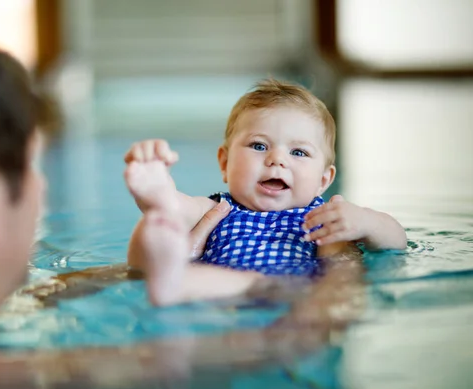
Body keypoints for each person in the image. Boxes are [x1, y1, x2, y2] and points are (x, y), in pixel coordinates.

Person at [0, 22, 365, 389]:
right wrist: (326, 293)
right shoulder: (38, 386)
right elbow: (299, 339)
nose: (42, 188)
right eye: (32, 167)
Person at [125, 79, 407, 305]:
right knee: (164, 223)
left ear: (323, 180)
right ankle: (170, 275)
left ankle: (172, 282)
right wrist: (158, 192)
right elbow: (179, 208)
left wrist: (367, 221)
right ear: (225, 163)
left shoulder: (324, 218)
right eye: (259, 146)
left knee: (250, 281)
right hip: (219, 296)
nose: (277, 159)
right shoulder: (217, 208)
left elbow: (396, 239)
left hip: (292, 291)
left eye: (298, 152)